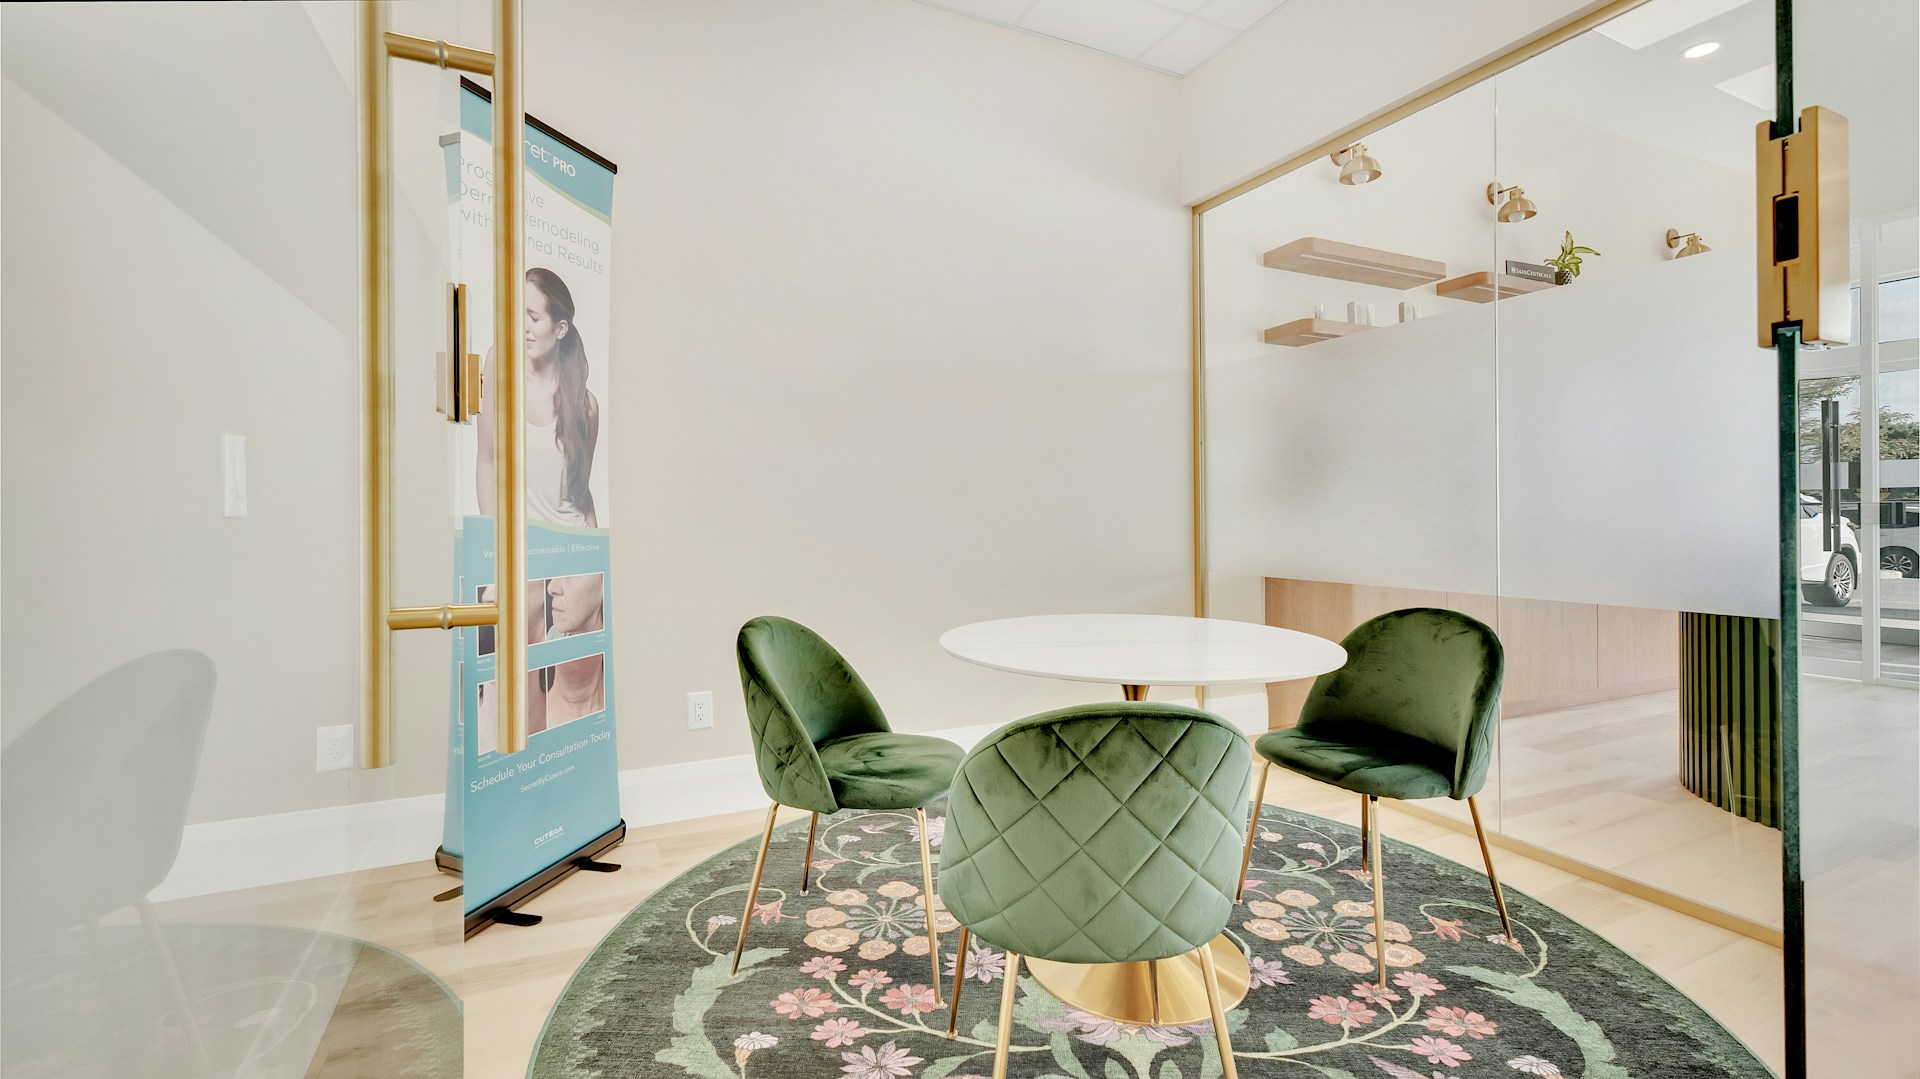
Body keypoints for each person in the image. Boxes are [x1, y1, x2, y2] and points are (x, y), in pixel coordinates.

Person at [477, 268, 600, 527]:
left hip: (571, 546)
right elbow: (487, 460)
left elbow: (581, 492)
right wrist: (489, 541)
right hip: (517, 549)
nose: (523, 327)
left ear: (560, 329)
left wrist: (596, 554)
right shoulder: (499, 365)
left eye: (533, 317)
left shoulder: (585, 405)